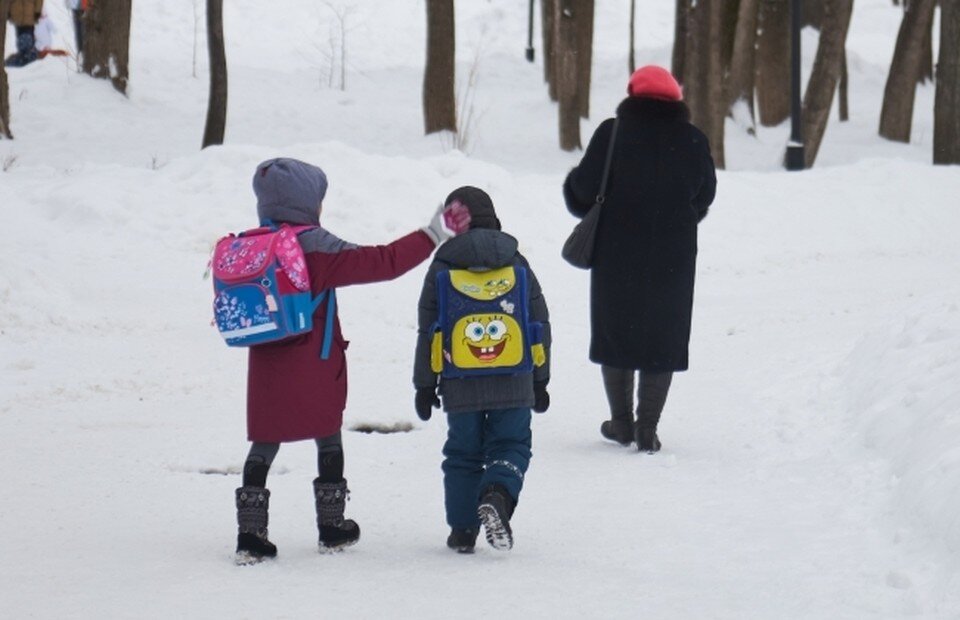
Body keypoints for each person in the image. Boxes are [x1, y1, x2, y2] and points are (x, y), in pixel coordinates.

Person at [232, 158, 471, 565]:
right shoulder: (315, 246)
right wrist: (435, 233)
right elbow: (384, 262)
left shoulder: (253, 246)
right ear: (307, 203)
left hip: (267, 365)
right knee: (327, 432)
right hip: (315, 360)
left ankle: (251, 534)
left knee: (266, 440)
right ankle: (332, 526)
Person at [563, 65, 716, 453]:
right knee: (663, 334)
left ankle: (621, 422)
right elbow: (705, 195)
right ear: (676, 99)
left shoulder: (611, 134)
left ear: (632, 94)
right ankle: (648, 428)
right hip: (673, 254)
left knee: (616, 330)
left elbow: (582, 191)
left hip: (616, 252)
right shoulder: (694, 140)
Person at [413, 186, 551, 553]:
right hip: (515, 374)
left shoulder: (443, 264)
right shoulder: (515, 260)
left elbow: (428, 330)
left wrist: (425, 385)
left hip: (460, 380)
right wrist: (541, 379)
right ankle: (498, 494)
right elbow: (539, 322)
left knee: (463, 453)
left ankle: (462, 531)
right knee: (512, 443)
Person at [5, 0, 44, 67]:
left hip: (29, 15)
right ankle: (25, 60)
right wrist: (7, 10)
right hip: (17, 15)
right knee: (22, 40)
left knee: (27, 40)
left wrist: (37, 11)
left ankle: (28, 61)